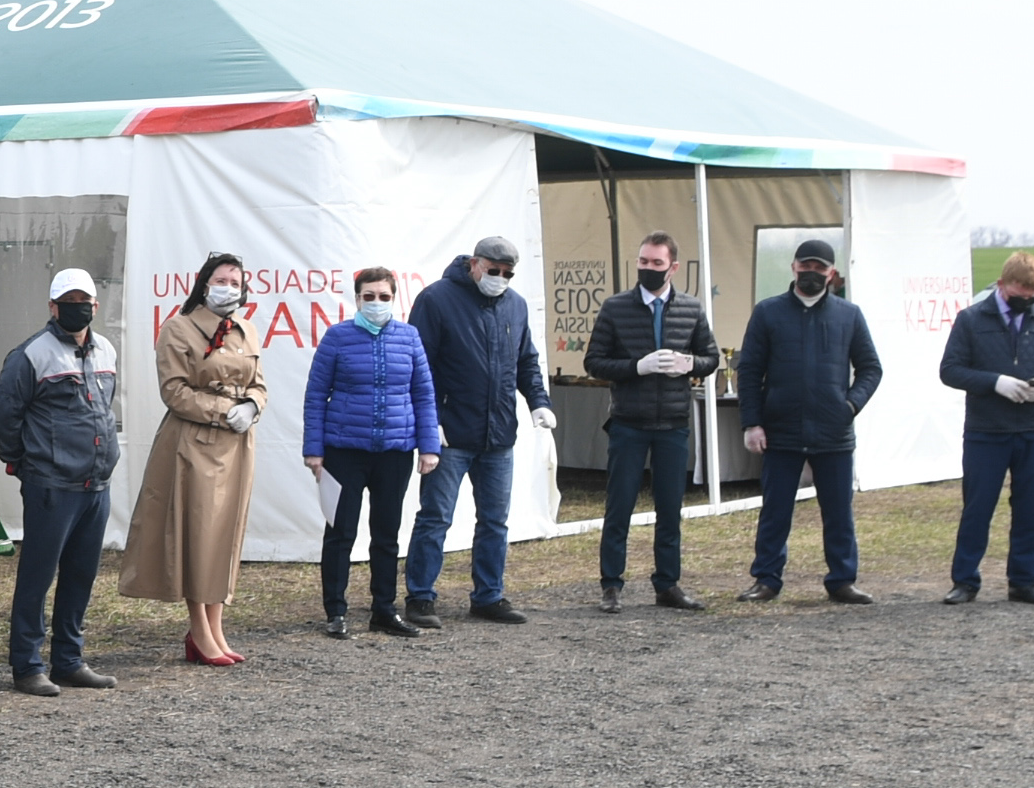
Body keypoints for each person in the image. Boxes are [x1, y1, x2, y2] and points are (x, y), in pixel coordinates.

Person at [121, 250, 268, 663]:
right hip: (195, 445)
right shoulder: (179, 329)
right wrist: (225, 412)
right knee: (197, 535)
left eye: (236, 283)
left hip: (239, 446)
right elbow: (174, 391)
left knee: (226, 534)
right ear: (204, 284)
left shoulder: (246, 330)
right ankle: (199, 630)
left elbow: (259, 383)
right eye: (221, 281)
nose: (229, 289)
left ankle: (216, 626)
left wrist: (253, 406)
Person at [0, 264, 124, 696]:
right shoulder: (30, 355)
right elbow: (5, 416)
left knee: (81, 575)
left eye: (84, 303)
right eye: (69, 303)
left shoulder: (106, 349)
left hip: (95, 484)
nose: (77, 310)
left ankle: (69, 660)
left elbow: (105, 406)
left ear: (95, 306)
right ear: (52, 306)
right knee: (38, 576)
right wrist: (23, 464)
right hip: (51, 484)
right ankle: (27, 666)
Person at [405, 235, 550, 629]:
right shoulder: (436, 299)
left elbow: (526, 360)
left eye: (507, 273)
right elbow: (420, 366)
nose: (500, 278)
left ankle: (488, 595)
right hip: (451, 431)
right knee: (435, 517)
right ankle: (420, 595)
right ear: (474, 264)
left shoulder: (515, 305)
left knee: (495, 520)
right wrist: (428, 420)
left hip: (498, 432)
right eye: (493, 270)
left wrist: (539, 401)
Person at [734, 238, 885, 605]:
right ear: (793, 268)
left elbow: (871, 368)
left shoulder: (849, 315)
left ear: (832, 273)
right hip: (780, 430)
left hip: (834, 432)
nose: (812, 274)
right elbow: (750, 371)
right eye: (806, 267)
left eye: (820, 269)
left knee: (838, 512)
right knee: (775, 510)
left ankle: (842, 580)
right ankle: (766, 579)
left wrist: (850, 405)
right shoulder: (768, 313)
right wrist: (752, 423)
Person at [299, 267, 442, 639]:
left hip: (394, 452)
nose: (376, 302)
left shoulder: (410, 338)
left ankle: (384, 609)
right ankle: (336, 611)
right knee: (340, 532)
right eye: (369, 296)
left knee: (387, 534)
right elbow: (316, 395)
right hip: (344, 451)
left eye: (383, 296)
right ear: (357, 298)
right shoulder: (338, 337)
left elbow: (423, 395)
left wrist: (429, 446)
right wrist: (314, 448)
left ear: (394, 298)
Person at [581, 230, 720, 612]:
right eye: (643, 262)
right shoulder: (616, 307)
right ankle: (611, 585)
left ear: (673, 267)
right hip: (629, 421)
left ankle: (667, 584)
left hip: (673, 422)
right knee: (619, 505)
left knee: (670, 508)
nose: (648, 269)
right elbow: (593, 362)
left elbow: (711, 357)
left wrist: (690, 364)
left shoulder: (690, 309)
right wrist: (635, 367)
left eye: (656, 263)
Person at [938, 251, 1034, 604]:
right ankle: (965, 581)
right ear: (1001, 284)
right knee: (978, 508)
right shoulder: (971, 320)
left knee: (1030, 509)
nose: (1026, 298)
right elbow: (950, 370)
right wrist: (994, 382)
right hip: (987, 431)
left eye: (1033, 292)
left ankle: (1024, 581)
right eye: (1019, 291)